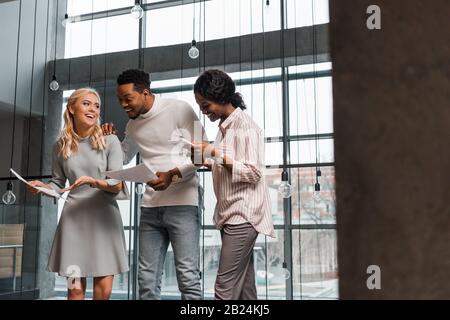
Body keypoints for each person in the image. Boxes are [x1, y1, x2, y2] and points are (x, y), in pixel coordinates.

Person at [102, 69, 204, 300]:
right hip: (150, 208)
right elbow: (123, 157)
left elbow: (202, 155)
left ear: (145, 93)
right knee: (146, 281)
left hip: (184, 204)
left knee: (188, 278)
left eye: (128, 99)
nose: (123, 105)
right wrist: (108, 140)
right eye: (120, 100)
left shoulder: (182, 109)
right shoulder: (132, 125)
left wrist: (172, 176)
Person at [27, 88, 129, 300]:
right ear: (71, 108)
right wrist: (43, 187)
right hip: (73, 225)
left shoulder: (110, 142)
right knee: (74, 290)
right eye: (86, 103)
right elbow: (57, 184)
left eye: (97, 105)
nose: (93, 109)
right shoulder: (60, 146)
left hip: (104, 223)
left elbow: (117, 184)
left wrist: (93, 181)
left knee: (104, 291)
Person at [192, 69, 275, 300]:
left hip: (243, 215)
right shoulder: (225, 128)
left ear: (221, 97)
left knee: (224, 288)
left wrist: (214, 153)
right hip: (231, 214)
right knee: (245, 288)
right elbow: (230, 166)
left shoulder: (245, 127)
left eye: (206, 104)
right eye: (200, 105)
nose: (203, 110)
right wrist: (209, 162)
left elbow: (253, 173)